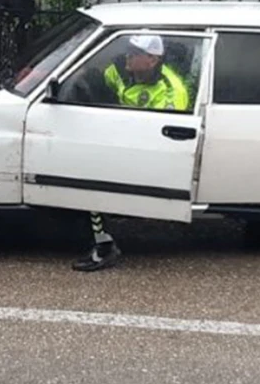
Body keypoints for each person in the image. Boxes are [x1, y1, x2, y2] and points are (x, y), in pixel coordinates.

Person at [72, 34, 190, 272]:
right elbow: (93, 80)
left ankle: (104, 247)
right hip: (121, 135)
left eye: (135, 53)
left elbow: (162, 137)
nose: (128, 56)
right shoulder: (119, 70)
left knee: (90, 177)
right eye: (129, 50)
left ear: (152, 60)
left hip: (147, 151)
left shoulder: (170, 92)